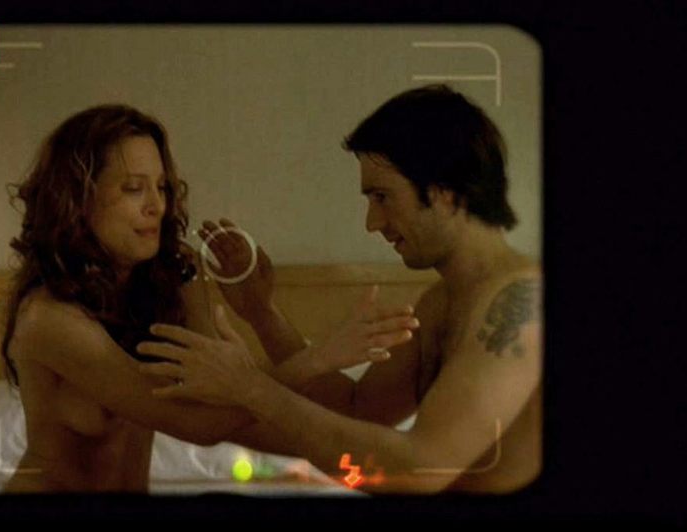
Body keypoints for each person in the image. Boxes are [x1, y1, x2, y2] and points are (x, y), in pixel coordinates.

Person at [138, 85, 542, 494]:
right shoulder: (440, 302)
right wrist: (262, 313)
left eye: (382, 197)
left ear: (444, 192)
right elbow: (357, 410)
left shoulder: (522, 306)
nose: (372, 222)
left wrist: (252, 387)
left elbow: (420, 470)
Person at [0, 104, 417, 492]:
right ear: (77, 199)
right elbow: (197, 424)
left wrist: (256, 307)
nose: (156, 206)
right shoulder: (49, 319)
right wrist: (320, 357)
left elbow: (227, 406)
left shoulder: (171, 278)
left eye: (162, 187)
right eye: (133, 188)